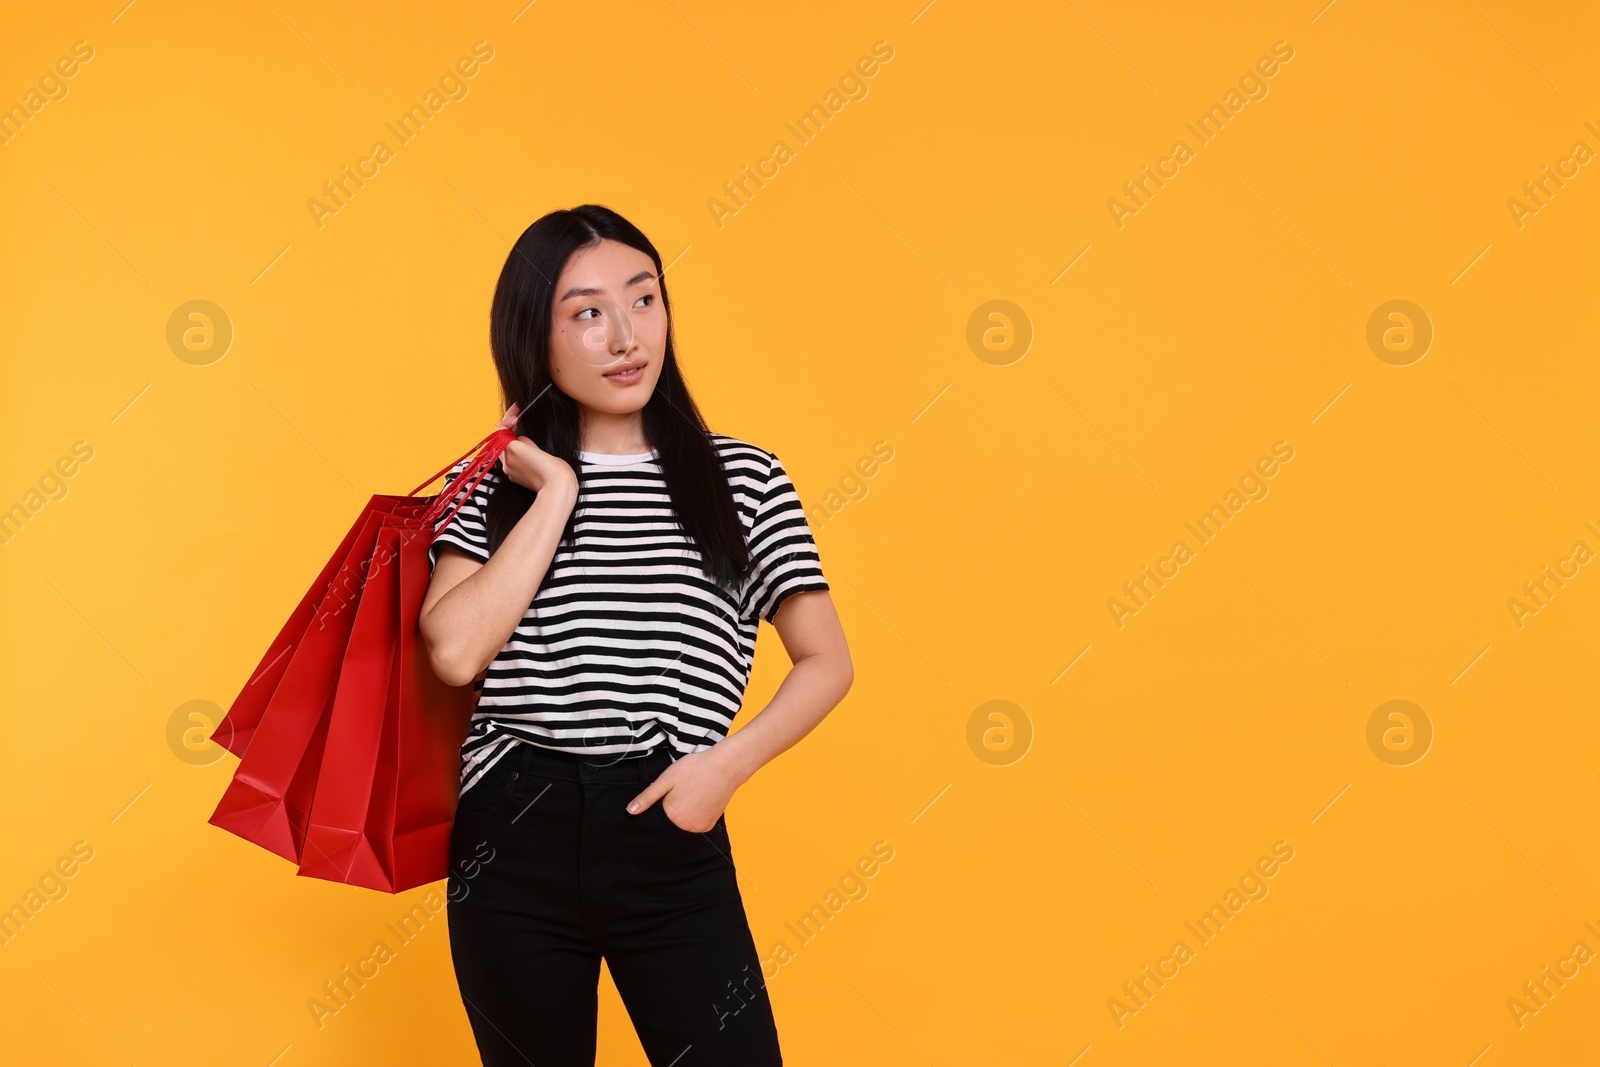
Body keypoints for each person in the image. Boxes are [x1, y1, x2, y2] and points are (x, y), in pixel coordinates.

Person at [418, 204, 853, 1067]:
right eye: (586, 312)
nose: (626, 335)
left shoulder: (743, 478)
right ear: (534, 339)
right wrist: (553, 494)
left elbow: (826, 658)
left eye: (643, 300)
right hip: (513, 827)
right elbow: (456, 651)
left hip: (667, 816)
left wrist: (721, 770)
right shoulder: (497, 487)